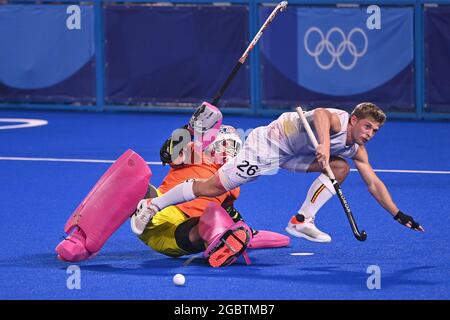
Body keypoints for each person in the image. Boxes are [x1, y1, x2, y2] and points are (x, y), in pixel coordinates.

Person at [131, 102, 424, 244]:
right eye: (367, 127)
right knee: (212, 187)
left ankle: (301, 220)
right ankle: (152, 205)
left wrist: (399, 214)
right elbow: (320, 113)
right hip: (270, 145)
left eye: (375, 130)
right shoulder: (337, 120)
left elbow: (374, 183)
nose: (370, 133)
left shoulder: (357, 149)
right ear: (355, 120)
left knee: (340, 168)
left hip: (293, 155)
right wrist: (323, 143)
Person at [56, 102, 288, 267]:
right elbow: (168, 152)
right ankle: (80, 240)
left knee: (215, 215)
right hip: (151, 212)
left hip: (181, 235)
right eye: (225, 144)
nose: (228, 151)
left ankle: (219, 247)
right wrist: (190, 129)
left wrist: (267, 238)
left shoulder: (231, 183)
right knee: (133, 176)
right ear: (213, 145)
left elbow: (240, 224)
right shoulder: (194, 153)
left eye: (233, 147)